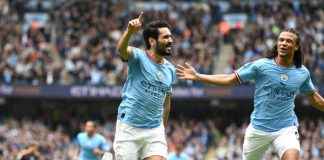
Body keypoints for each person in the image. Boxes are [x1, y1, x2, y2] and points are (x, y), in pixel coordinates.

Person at [176, 28, 324, 160]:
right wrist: (198, 76)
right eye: (281, 40)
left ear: (296, 47)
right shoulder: (261, 66)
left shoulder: (302, 73)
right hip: (258, 129)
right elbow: (229, 79)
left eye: (288, 41)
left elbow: (314, 98)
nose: (283, 43)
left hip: (286, 128)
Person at [114, 11, 176, 160]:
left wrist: (162, 128)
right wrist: (129, 31)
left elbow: (166, 103)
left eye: (171, 36)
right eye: (166, 37)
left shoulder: (170, 70)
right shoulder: (138, 57)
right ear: (152, 41)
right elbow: (121, 50)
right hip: (129, 126)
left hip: (154, 130)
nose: (171, 40)